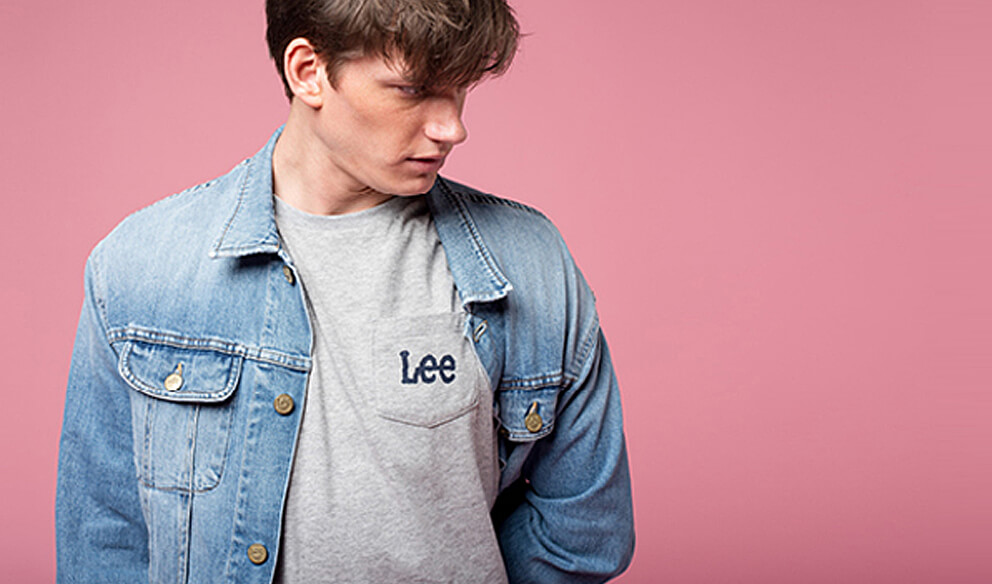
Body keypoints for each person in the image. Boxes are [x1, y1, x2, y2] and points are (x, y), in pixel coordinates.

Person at [55, 1, 634, 582]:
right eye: (413, 89)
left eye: (459, 88)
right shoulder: (143, 266)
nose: (452, 128)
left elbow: (585, 531)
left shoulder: (528, 264)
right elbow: (104, 538)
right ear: (308, 71)